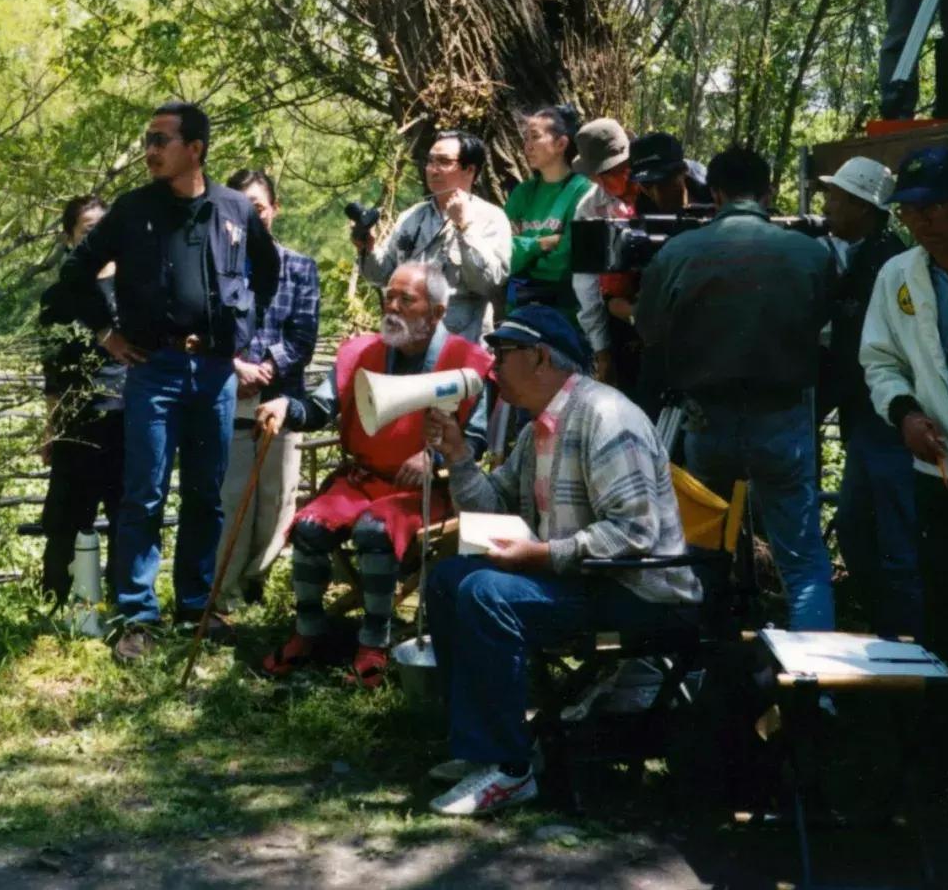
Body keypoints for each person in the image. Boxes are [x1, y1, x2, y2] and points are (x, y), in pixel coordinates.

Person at [421, 305, 700, 817]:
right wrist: (460, 456)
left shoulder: (607, 417)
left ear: (540, 358)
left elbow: (634, 533)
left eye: (502, 355)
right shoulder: (535, 432)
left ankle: (510, 769)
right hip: (587, 581)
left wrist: (541, 556)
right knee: (447, 580)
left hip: (640, 593)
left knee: (486, 594)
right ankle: (481, 747)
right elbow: (493, 507)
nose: (491, 368)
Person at [48, 100, 280, 662]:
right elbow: (74, 275)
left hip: (215, 374)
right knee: (143, 493)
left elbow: (266, 271)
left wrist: (239, 331)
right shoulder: (131, 211)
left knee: (206, 494)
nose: (150, 150)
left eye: (162, 140)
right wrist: (106, 334)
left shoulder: (233, 209)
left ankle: (198, 605)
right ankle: (137, 616)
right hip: (153, 369)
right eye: (148, 140)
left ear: (194, 149)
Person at [262, 262, 492, 689]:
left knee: (373, 531)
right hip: (362, 480)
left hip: (427, 491)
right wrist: (285, 408)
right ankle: (308, 630)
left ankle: (374, 642)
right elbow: (318, 409)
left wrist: (436, 460)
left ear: (437, 313)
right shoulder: (359, 353)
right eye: (390, 295)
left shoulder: (468, 362)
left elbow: (478, 439)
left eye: (408, 299)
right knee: (310, 527)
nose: (393, 306)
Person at [635, 146, 836, 631]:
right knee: (803, 560)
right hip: (782, 418)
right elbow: (828, 328)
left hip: (709, 418)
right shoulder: (811, 253)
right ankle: (818, 689)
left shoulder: (679, 251)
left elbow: (648, 329)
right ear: (768, 192)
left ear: (717, 192)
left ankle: (698, 669)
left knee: (703, 551)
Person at [861, 146, 948, 668]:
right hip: (939, 468)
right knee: (944, 599)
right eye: (909, 209)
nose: (920, 219)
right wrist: (904, 413)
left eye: (935, 206)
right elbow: (880, 359)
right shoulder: (898, 275)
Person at [816, 157, 919, 639]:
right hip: (863, 422)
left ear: (861, 205)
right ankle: (883, 632)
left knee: (896, 539)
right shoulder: (856, 256)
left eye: (836, 196)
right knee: (857, 531)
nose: (827, 204)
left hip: (888, 425)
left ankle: (912, 646)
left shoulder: (891, 266)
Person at [215, 169, 320, 610]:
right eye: (241, 209)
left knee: (278, 496)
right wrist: (234, 367)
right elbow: (202, 331)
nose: (252, 216)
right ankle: (224, 589)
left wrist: (264, 367)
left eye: (259, 207)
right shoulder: (216, 269)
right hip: (229, 394)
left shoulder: (299, 267)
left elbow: (303, 335)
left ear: (274, 209)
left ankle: (257, 581)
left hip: (281, 395)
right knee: (231, 494)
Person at [38, 195, 126, 608]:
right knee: (67, 519)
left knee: (128, 518)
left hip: (128, 417)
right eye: (87, 230)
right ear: (70, 238)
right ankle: (57, 604)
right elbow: (52, 374)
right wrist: (50, 427)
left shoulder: (135, 289)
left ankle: (127, 606)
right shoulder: (57, 298)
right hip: (77, 419)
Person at [354, 129, 511, 342]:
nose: (433, 170)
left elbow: (488, 283)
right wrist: (367, 248)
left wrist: (465, 226)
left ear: (469, 170)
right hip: (407, 340)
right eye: (430, 161)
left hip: (460, 341)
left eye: (444, 162)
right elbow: (381, 276)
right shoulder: (411, 216)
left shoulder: (490, 218)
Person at [568, 117, 636, 388]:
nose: (607, 180)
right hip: (620, 314)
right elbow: (585, 281)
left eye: (617, 170)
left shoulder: (661, 187)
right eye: (598, 174)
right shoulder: (590, 208)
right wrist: (602, 350)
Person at [504, 106, 591, 315]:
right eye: (526, 139)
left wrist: (523, 249)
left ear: (561, 143)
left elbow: (567, 259)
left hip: (565, 314)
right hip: (519, 311)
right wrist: (543, 243)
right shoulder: (523, 193)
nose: (527, 147)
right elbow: (503, 253)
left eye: (535, 137)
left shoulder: (583, 191)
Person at [631, 133, 711, 217]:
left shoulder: (712, 193)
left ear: (683, 170)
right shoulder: (644, 207)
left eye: (664, 182)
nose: (657, 194)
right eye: (646, 184)